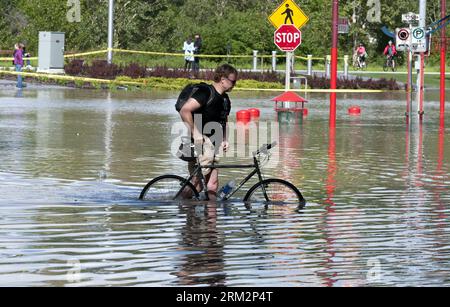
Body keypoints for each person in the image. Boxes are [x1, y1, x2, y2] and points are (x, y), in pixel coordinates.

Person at [179, 64, 238, 200]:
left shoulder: (225, 99)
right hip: (200, 143)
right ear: (223, 79)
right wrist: (195, 133)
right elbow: (185, 110)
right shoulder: (205, 92)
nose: (235, 85)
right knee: (198, 184)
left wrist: (224, 139)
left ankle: (210, 218)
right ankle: (181, 206)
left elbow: (224, 119)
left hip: (214, 144)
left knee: (212, 184)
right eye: (233, 81)